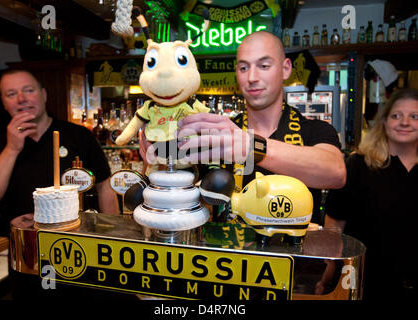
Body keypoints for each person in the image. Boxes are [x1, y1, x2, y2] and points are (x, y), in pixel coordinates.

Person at [169, 31, 346, 225]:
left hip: (294, 252)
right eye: (243, 68)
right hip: (231, 253)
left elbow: (336, 173)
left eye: (264, 66)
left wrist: (250, 146)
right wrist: (158, 157)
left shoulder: (314, 130)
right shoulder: (222, 135)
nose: (252, 77)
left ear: (286, 69)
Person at [0, 69, 119, 236]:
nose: (21, 99)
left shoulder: (78, 136)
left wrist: (113, 235)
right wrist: (12, 149)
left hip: (75, 242)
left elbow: (105, 187)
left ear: (44, 95)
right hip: (21, 245)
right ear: (4, 103)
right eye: (11, 94)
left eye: (28, 90)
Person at [324, 88, 418, 300]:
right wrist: (329, 269)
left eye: (414, 116)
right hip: (368, 283)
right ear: (384, 122)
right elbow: (334, 224)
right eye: (396, 115)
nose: (405, 122)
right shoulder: (359, 165)